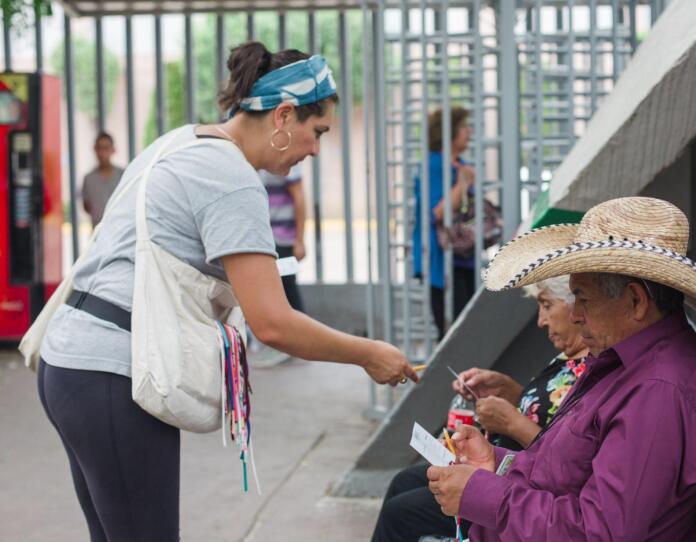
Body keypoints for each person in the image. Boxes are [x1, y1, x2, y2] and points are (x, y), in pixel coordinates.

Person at [36, 42, 417, 542]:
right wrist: (368, 353)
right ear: (283, 115)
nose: (316, 149)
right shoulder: (231, 179)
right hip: (113, 374)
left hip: (67, 364)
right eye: (316, 130)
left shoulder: (179, 143)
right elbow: (273, 322)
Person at [427, 197, 696, 541]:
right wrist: (496, 462)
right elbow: (562, 472)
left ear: (636, 301)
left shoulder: (657, 392)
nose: (576, 313)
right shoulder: (627, 364)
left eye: (583, 298)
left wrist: (483, 494)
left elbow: (599, 533)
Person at [370, 275, 590, 542]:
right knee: (404, 481)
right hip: (507, 467)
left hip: (525, 488)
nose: (541, 320)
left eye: (547, 305)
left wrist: (512, 423)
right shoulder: (569, 356)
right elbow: (551, 413)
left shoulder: (595, 369)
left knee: (400, 514)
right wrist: (508, 390)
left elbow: (568, 459)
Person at [412, 106, 476, 337]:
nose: (469, 131)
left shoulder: (461, 163)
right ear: (447, 132)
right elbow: (436, 212)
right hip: (440, 257)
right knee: (451, 332)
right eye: (463, 127)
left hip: (464, 257)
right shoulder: (434, 164)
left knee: (466, 328)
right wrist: (463, 184)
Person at [259, 163, 306, 312]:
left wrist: (299, 241)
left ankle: (300, 333)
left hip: (282, 238)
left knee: (287, 290)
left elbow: (299, 197)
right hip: (263, 237)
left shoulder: (286, 159)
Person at [81, 131, 125, 227]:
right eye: (99, 148)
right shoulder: (88, 179)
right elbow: (86, 206)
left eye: (106, 148)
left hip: (121, 231)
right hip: (98, 232)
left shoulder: (123, 175)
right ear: (95, 150)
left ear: (113, 150)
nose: (102, 153)